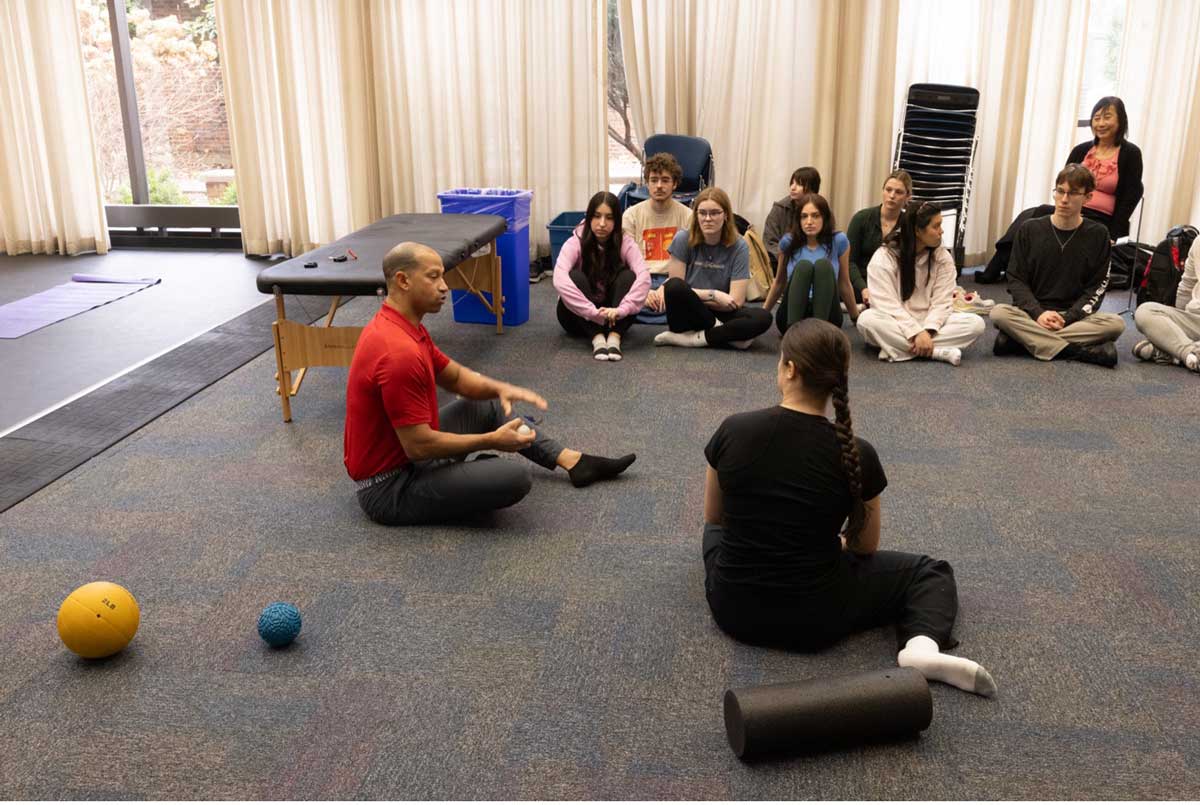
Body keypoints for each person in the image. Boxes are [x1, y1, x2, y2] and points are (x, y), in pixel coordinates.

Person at [702, 319, 997, 697]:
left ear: (789, 369)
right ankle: (921, 647)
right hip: (817, 620)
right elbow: (864, 547)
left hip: (734, 610)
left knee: (714, 534)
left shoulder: (733, 429)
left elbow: (715, 518)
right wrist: (835, 544)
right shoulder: (858, 452)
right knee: (930, 572)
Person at [345, 242, 637, 525]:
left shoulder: (404, 327)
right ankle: (466, 473)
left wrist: (501, 389)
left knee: (486, 404)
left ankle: (573, 461)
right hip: (390, 486)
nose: (444, 286)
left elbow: (456, 377)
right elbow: (418, 447)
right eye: (433, 277)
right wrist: (492, 441)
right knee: (515, 478)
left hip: (407, 456)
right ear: (402, 281)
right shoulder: (397, 352)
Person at [977, 96, 1144, 284]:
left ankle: (997, 268)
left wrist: (1112, 233)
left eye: (1107, 117)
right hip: (1069, 208)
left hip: (1100, 218)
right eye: (1096, 118)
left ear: (1121, 120)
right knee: (1030, 216)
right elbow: (1063, 182)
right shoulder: (1081, 150)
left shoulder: (1130, 153)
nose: (1101, 123)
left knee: (1038, 212)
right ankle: (1007, 267)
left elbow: (1132, 194)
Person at [988, 165, 1125, 366]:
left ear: (1088, 197)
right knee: (998, 313)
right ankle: (1077, 351)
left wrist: (1069, 318)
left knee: (1116, 324)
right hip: (1033, 313)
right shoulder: (1029, 229)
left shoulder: (1099, 234)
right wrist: (1038, 313)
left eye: (1073, 193)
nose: (1064, 199)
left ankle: (1021, 342)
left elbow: (1097, 286)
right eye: (1060, 191)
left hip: (1074, 318)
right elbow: (1015, 279)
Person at [856, 202, 985, 366]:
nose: (942, 231)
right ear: (917, 231)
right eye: (936, 226)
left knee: (976, 324)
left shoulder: (942, 257)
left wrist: (927, 330)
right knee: (866, 320)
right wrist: (914, 332)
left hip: (930, 324)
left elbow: (942, 303)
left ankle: (899, 348)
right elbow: (886, 305)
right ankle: (936, 352)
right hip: (895, 322)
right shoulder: (884, 257)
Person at [649, 188, 773, 349]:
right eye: (702, 213)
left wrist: (712, 300)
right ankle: (724, 335)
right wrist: (713, 295)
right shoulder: (682, 239)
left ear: (726, 215)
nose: (708, 218)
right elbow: (676, 291)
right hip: (687, 311)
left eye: (715, 213)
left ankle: (695, 339)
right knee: (673, 287)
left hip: (721, 310)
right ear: (696, 215)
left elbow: (735, 301)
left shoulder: (739, 245)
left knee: (764, 317)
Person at [553, 191, 650, 361]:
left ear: (617, 221)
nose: (602, 224)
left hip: (613, 317)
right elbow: (559, 278)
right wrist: (592, 313)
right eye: (597, 216)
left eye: (609, 218)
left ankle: (614, 338)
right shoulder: (575, 241)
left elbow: (644, 276)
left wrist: (622, 310)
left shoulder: (625, 242)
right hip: (578, 318)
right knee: (574, 277)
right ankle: (597, 338)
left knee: (629, 277)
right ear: (589, 217)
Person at [760, 193, 860, 334]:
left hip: (826, 314)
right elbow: (779, 282)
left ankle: (818, 336)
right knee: (804, 266)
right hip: (793, 314)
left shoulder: (839, 241)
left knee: (823, 266)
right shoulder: (788, 242)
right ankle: (794, 338)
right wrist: (762, 314)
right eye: (804, 216)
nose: (809, 221)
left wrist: (856, 317)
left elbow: (844, 283)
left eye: (815, 216)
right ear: (798, 220)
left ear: (825, 218)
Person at [845, 170, 913, 306]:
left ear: (908, 197)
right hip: (861, 282)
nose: (892, 196)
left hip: (892, 283)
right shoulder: (861, 218)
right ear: (883, 191)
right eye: (888, 190)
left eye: (898, 192)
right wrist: (863, 289)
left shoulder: (910, 224)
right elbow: (849, 262)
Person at [621, 152, 693, 276]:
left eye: (665, 180)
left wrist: (666, 286)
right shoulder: (631, 215)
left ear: (674, 184)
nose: (659, 186)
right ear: (647, 184)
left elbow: (690, 261)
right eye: (654, 180)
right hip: (640, 277)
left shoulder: (688, 216)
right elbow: (628, 259)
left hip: (674, 279)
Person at [1132, 245, 1200, 372]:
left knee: (1168, 338)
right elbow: (1186, 288)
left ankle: (1172, 352)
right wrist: (1177, 328)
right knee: (1145, 311)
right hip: (1195, 320)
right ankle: (1189, 352)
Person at [763, 166, 821, 267]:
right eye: (792, 183)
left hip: (813, 263)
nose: (793, 187)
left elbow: (825, 242)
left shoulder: (822, 211)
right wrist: (792, 259)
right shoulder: (779, 209)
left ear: (811, 188)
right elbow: (769, 243)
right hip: (781, 264)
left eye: (798, 184)